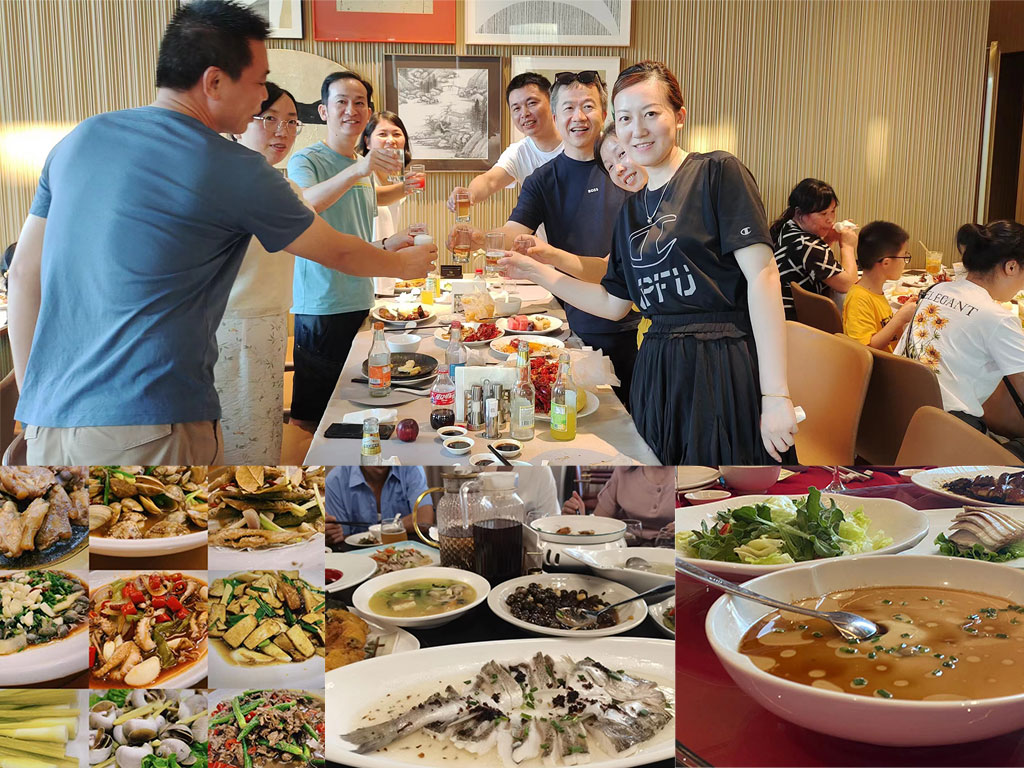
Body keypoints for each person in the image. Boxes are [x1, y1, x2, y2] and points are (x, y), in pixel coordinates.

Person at [7, 0, 436, 465]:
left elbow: (25, 272)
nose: (263, 97)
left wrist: (31, 403)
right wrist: (401, 264)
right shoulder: (233, 167)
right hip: (150, 424)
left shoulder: (81, 138)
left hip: (49, 421)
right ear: (214, 81)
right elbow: (337, 251)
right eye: (258, 82)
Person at [499, 61, 798, 464]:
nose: (637, 130)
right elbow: (612, 303)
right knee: (660, 489)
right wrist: (535, 271)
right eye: (625, 118)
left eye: (650, 113)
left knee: (727, 489)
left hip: (722, 363)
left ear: (679, 116)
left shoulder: (715, 173)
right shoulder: (631, 212)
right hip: (656, 370)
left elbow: (763, 276)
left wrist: (776, 394)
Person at [451, 71, 642, 406]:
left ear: (604, 113)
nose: (578, 117)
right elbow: (516, 231)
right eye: (568, 108)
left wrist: (546, 256)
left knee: (626, 419)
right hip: (573, 317)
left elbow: (615, 266)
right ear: (555, 117)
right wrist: (481, 239)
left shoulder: (624, 169)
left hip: (628, 323)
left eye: (588, 106)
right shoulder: (543, 178)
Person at [287, 71, 424, 432]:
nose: (352, 109)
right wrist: (360, 169)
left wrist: (400, 195)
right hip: (323, 303)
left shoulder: (358, 166)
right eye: (342, 102)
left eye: (360, 102)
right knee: (312, 414)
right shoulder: (306, 161)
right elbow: (305, 206)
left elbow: (366, 201)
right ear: (323, 111)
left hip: (360, 299)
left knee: (352, 403)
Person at [214, 81, 307, 463]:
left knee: (261, 435)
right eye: (269, 119)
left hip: (267, 324)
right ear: (240, 123)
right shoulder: (226, 180)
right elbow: (334, 250)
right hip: (231, 327)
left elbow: (320, 243)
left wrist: (383, 248)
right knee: (237, 442)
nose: (282, 131)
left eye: (291, 121)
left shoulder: (283, 186)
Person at [896, 221, 1024, 453]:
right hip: (947, 436)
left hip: (898, 416)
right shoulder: (997, 318)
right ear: (1011, 267)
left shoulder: (935, 290)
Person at [446, 72, 562, 226]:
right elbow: (489, 181)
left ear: (552, 103)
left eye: (532, 103)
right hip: (540, 241)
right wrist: (469, 193)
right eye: (516, 108)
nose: (524, 113)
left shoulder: (576, 144)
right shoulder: (519, 152)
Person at [771, 178, 858, 319]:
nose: (830, 219)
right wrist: (847, 246)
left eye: (832, 211)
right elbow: (848, 285)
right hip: (800, 321)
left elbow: (813, 264)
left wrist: (829, 239)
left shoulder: (789, 228)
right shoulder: (806, 244)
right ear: (800, 214)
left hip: (787, 315)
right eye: (823, 214)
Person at [842, 220, 917, 351]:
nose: (905, 262)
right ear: (886, 263)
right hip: (882, 363)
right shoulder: (859, 299)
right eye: (904, 257)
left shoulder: (874, 292)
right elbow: (865, 350)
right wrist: (900, 318)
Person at [323, 466, 434, 546]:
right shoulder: (336, 480)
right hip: (357, 556)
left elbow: (424, 519)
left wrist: (385, 528)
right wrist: (331, 534)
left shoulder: (410, 468)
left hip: (407, 549)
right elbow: (342, 537)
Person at [561, 466, 675, 543]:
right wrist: (580, 520)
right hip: (627, 549)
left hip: (672, 549)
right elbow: (599, 523)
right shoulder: (623, 470)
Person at [359, 111, 423, 245]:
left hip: (385, 251)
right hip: (363, 252)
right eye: (382, 134)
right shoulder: (360, 171)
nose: (391, 140)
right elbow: (373, 196)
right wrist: (405, 187)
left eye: (396, 134)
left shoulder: (396, 176)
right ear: (367, 142)